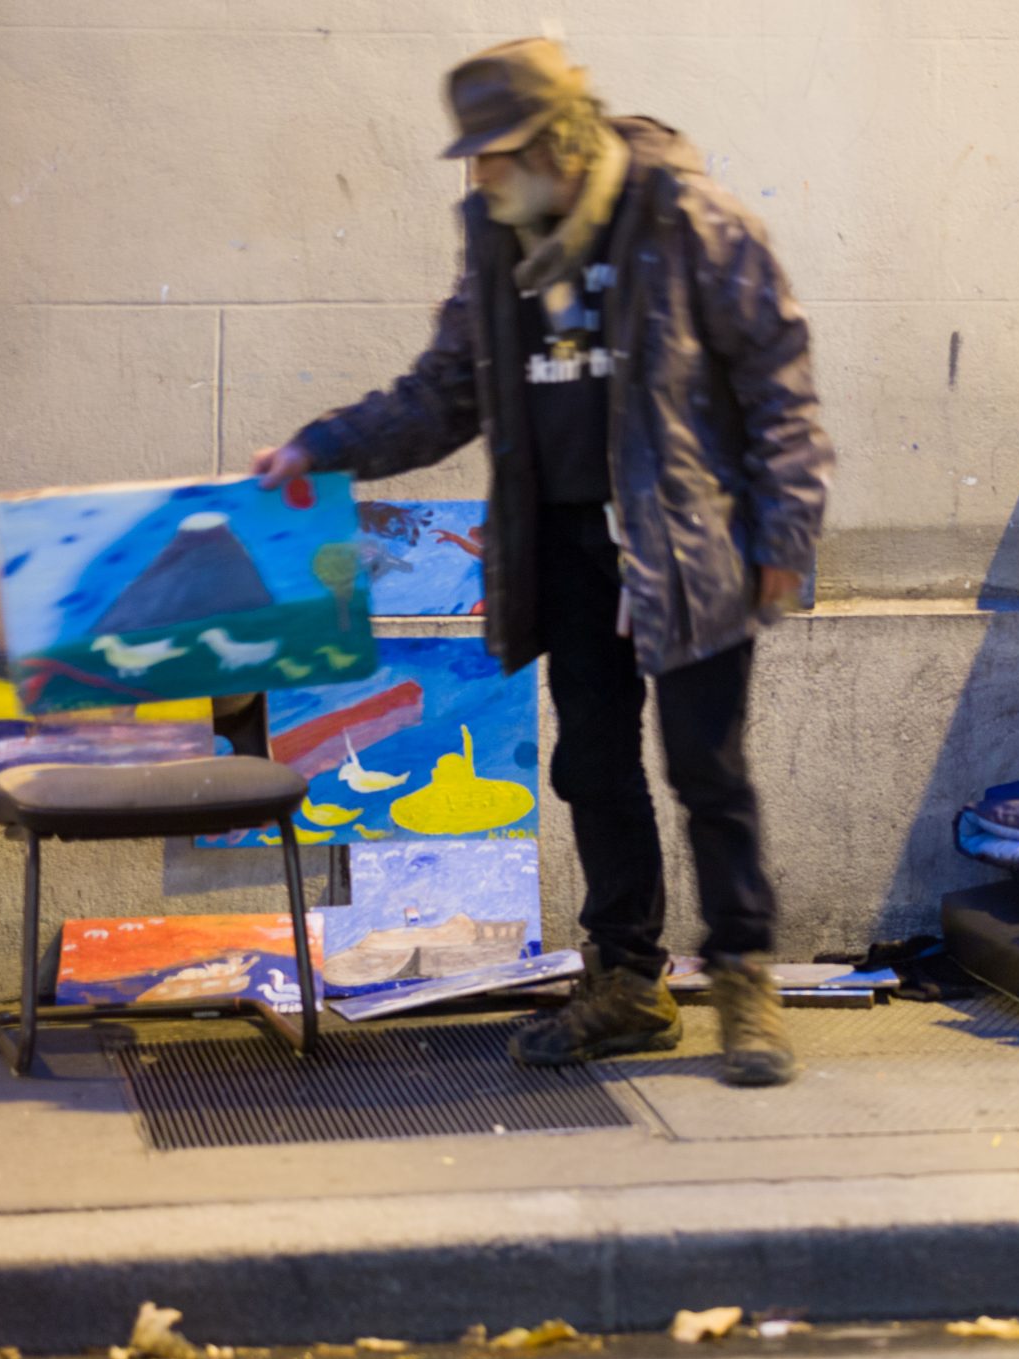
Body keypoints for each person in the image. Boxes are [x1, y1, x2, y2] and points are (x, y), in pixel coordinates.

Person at [254, 38, 833, 1087]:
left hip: (681, 536)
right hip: (564, 541)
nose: (479, 178)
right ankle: (625, 981)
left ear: (559, 143)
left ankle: (745, 977)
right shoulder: (497, 237)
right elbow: (445, 390)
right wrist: (320, 448)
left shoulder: (688, 219)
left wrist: (783, 540)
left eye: (495, 156)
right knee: (591, 767)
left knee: (707, 769)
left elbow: (779, 386)